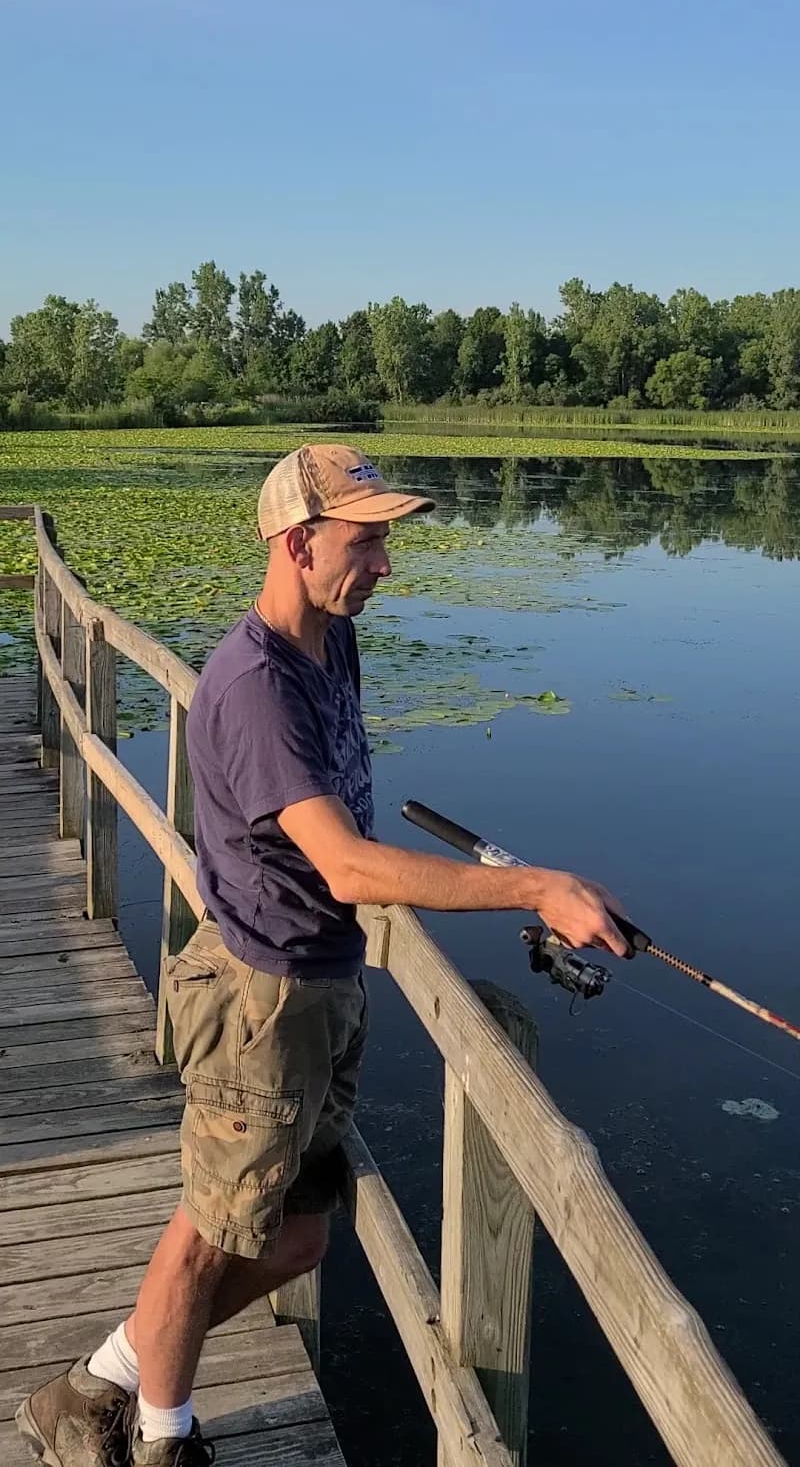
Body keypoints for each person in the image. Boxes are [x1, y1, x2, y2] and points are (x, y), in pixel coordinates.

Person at [17, 442, 630, 1467]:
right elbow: (344, 864)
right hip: (261, 996)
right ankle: (163, 1437)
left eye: (386, 538)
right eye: (367, 539)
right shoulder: (252, 683)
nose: (385, 562)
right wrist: (535, 884)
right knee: (208, 1232)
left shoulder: (329, 643)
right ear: (297, 542)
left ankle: (97, 1382)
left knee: (293, 1236)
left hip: (321, 981)